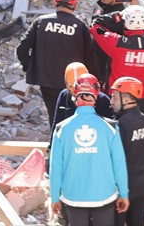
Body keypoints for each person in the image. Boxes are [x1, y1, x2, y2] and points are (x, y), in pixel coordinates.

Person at [49, 75, 130, 226]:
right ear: (96, 96)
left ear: (75, 95)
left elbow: (56, 167)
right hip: (104, 195)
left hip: (73, 196)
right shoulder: (110, 127)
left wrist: (54, 197)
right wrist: (124, 194)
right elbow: (119, 164)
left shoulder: (61, 129)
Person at [18, 0, 98, 124]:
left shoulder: (40, 22)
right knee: (73, 119)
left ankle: (55, 143)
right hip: (73, 83)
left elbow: (21, 49)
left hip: (46, 81)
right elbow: (91, 59)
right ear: (75, 3)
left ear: (55, 0)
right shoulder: (79, 26)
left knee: (54, 118)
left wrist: (30, 67)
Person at [110, 77, 144, 226]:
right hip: (142, 185)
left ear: (127, 98)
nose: (111, 101)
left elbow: (116, 161)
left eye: (115, 97)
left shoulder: (119, 125)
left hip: (122, 188)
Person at [92, 5, 144, 102]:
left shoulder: (116, 42)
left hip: (116, 95)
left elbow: (95, 25)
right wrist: (140, 15)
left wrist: (117, 15)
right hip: (141, 96)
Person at [51, 63, 115, 131]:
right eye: (74, 92)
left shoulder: (103, 100)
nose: (78, 97)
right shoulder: (64, 96)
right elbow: (57, 124)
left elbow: (111, 127)